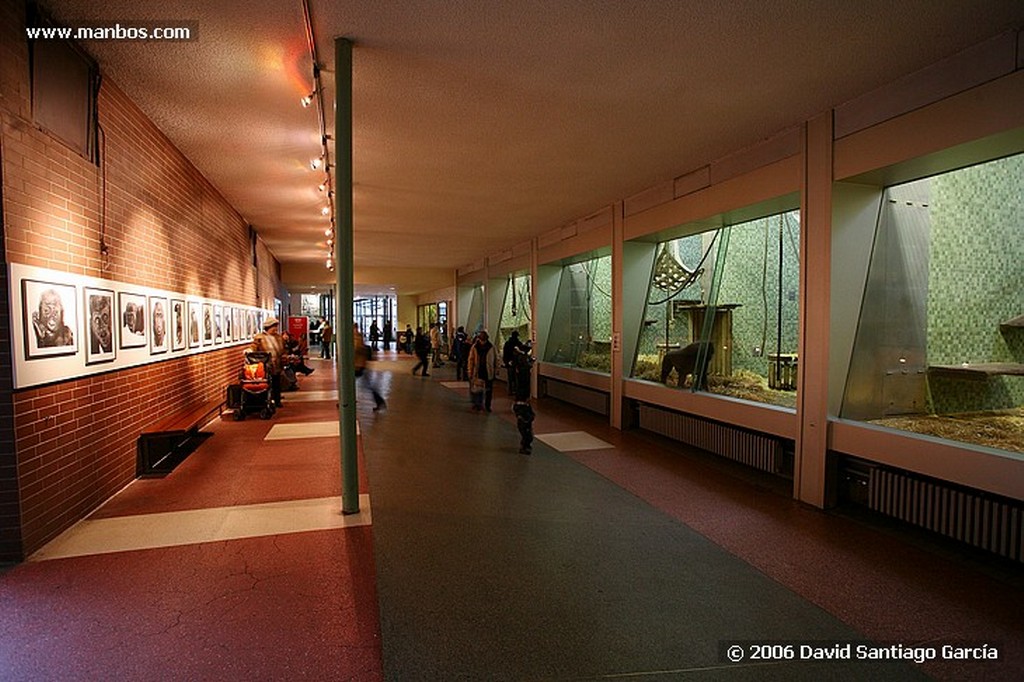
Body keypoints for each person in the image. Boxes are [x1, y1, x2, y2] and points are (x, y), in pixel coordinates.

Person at [249, 317, 285, 407]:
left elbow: (283, 349)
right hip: (266, 364)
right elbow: (254, 346)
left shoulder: (278, 337)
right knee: (267, 382)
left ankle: (277, 400)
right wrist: (250, 350)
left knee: (277, 382)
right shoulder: (260, 337)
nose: (276, 329)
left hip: (277, 363)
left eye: (276, 327)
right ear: (268, 327)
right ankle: (267, 400)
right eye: (274, 327)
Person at [354, 324, 386, 410]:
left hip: (357, 365)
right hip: (359, 364)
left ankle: (379, 401)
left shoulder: (356, 337)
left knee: (352, 383)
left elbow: (357, 349)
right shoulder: (357, 337)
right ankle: (379, 401)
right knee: (367, 384)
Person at [511, 342, 536, 454]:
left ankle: (525, 443)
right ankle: (526, 443)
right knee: (526, 421)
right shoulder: (524, 369)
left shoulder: (519, 365)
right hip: (523, 398)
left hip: (521, 398)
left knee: (523, 421)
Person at [467, 330, 499, 412]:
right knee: (477, 389)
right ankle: (478, 404)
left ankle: (487, 405)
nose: (482, 341)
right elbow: (471, 360)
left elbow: (496, 359)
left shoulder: (492, 347)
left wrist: (496, 370)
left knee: (488, 390)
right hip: (477, 371)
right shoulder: (475, 347)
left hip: (488, 371)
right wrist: (470, 371)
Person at [502, 330, 526, 395]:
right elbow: (522, 352)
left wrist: (506, 362)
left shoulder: (507, 343)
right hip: (517, 363)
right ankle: (517, 390)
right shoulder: (519, 343)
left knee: (510, 377)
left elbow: (505, 354)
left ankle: (510, 390)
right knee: (517, 377)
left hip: (509, 362)